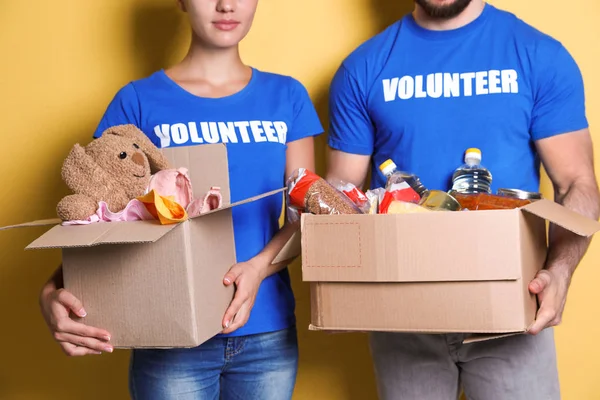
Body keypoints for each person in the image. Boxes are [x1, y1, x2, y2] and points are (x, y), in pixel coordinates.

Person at [38, 0, 323, 399]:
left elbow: (306, 215)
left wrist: (257, 269)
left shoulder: (288, 96)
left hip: (267, 336)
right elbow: (105, 215)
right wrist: (52, 290)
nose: (226, 4)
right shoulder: (136, 101)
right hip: (170, 335)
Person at [326, 0, 599, 399]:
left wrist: (559, 272)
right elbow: (342, 196)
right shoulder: (362, 68)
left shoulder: (539, 55)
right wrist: (336, 285)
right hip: (402, 315)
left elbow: (578, 184)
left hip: (513, 313)